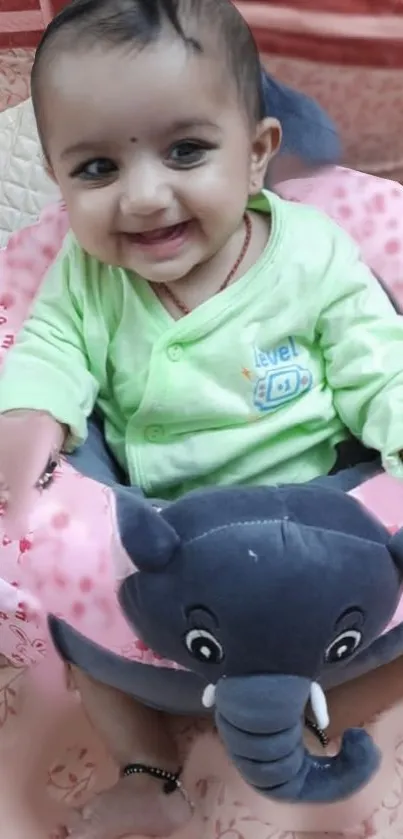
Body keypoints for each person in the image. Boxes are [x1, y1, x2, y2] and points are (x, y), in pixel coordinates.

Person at [0, 0, 399, 836]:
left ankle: (302, 717)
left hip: (317, 538)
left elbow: (378, 364)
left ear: (257, 154)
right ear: (59, 174)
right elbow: (48, 349)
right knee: (84, 646)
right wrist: (29, 418)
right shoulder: (86, 277)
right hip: (161, 545)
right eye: (98, 169)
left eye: (186, 151)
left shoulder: (313, 253)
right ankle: (148, 766)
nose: (144, 196)